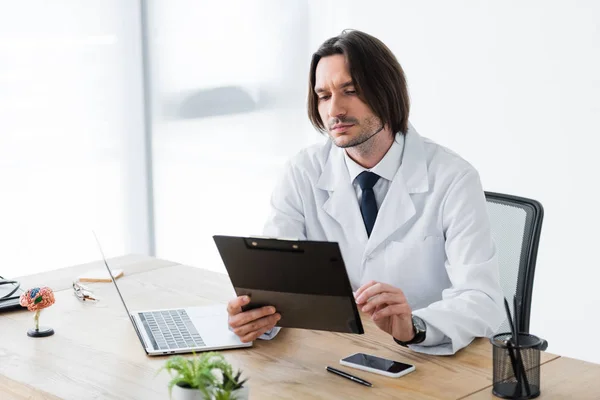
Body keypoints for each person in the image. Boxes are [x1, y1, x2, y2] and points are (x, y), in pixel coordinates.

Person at [226, 29, 503, 355]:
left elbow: (482, 299)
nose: (334, 111)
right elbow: (278, 285)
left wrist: (414, 325)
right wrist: (257, 317)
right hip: (337, 353)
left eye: (350, 90)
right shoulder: (302, 172)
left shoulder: (453, 177)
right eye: (324, 96)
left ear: (386, 92)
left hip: (426, 359)